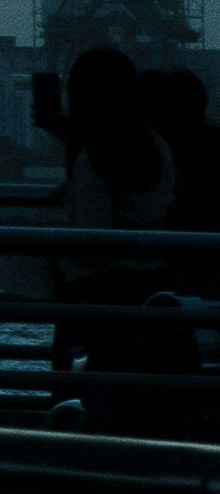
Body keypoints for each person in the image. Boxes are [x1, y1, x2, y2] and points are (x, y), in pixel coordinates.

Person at [36, 44, 195, 436]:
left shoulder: (93, 161)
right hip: (156, 288)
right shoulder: (156, 146)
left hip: (99, 301)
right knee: (147, 397)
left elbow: (94, 241)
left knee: (82, 386)